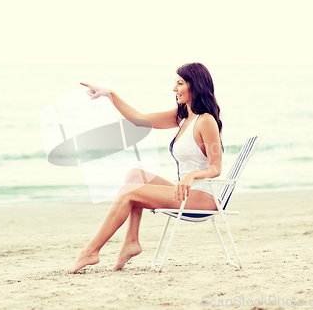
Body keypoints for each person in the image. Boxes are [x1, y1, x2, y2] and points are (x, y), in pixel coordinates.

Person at [67, 62, 224, 274]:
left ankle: (90, 251)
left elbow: (216, 167)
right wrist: (110, 95)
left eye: (179, 83)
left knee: (130, 191)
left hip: (204, 198)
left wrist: (192, 175)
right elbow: (139, 120)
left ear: (194, 85)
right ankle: (131, 241)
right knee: (134, 175)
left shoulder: (206, 121)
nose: (174, 89)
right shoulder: (184, 116)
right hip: (186, 193)